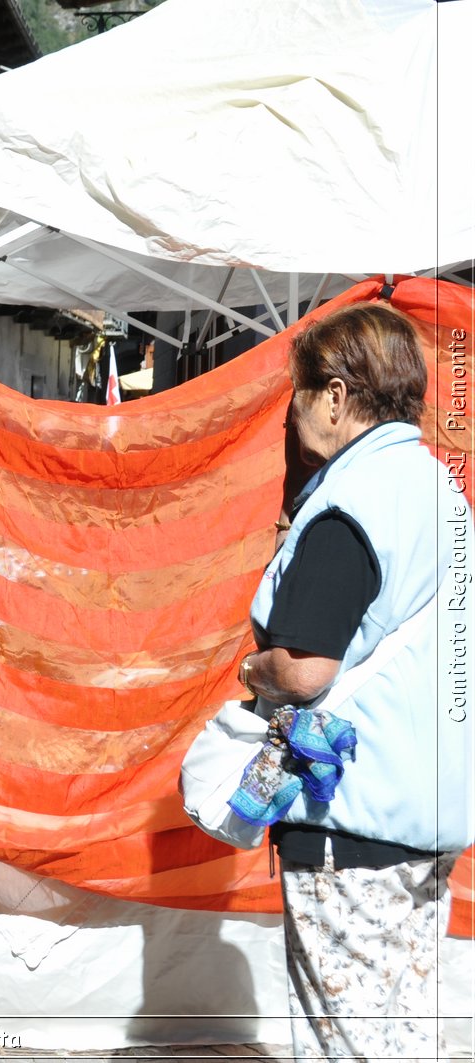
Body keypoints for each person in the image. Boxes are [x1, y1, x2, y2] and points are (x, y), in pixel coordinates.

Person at [237, 302, 472, 1060]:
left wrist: (251, 667)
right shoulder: (444, 494)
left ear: (335, 396)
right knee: (403, 1035)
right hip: (430, 813)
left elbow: (304, 669)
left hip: (353, 814)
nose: (294, 409)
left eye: (299, 390)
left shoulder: (351, 503)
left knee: (353, 1046)